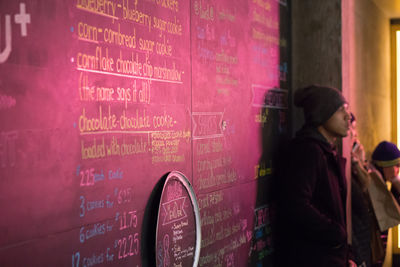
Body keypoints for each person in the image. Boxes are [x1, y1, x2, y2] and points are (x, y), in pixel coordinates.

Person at [275, 85, 356, 267]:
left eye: (347, 110)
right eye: (340, 110)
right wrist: (336, 234)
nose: (347, 117)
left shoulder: (327, 152)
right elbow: (296, 205)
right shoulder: (308, 151)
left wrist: (346, 256)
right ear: (322, 114)